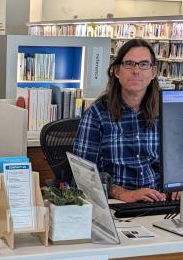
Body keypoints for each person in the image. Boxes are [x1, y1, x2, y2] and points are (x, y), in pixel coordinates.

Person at [73, 38, 171, 203]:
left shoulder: (164, 112)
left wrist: (179, 188)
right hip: (117, 205)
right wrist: (122, 194)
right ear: (116, 71)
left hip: (159, 202)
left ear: (153, 73)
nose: (136, 71)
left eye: (144, 64)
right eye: (129, 64)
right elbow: (81, 174)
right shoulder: (97, 114)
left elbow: (178, 163)